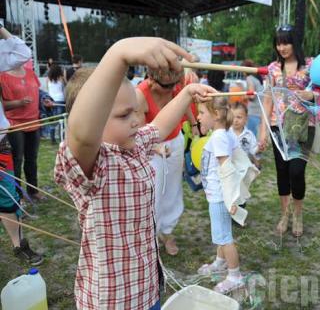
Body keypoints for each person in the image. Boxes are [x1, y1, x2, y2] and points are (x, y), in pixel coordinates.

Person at [54, 37, 214, 309]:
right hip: (114, 301)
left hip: (146, 287)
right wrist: (118, 54)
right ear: (94, 119)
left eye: (137, 112)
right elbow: (81, 135)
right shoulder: (94, 167)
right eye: (124, 115)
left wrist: (187, 94)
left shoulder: (135, 144)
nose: (138, 120)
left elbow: (160, 126)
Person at [258, 24, 317, 237]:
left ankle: (298, 213)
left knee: (296, 171)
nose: (282, 47)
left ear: (295, 42)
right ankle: (285, 214)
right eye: (278, 43)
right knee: (282, 171)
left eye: (286, 42)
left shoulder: (310, 66)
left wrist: (311, 95)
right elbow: (267, 99)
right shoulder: (273, 68)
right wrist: (263, 130)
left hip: (303, 125)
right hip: (277, 125)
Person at [136, 67, 199, 256]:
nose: (171, 89)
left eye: (174, 85)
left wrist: (194, 124)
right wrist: (155, 148)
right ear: (152, 80)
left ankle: (167, 232)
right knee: (154, 193)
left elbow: (183, 103)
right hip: (152, 147)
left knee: (173, 189)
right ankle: (150, 236)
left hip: (175, 142)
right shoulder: (140, 95)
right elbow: (138, 135)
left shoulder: (174, 87)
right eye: (167, 86)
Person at [196, 97, 246, 294]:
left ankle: (235, 276)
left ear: (216, 115)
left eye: (201, 113)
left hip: (220, 197)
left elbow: (227, 169)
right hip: (218, 195)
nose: (198, 117)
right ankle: (220, 262)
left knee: (224, 237)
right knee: (221, 232)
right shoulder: (224, 133)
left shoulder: (218, 137)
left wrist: (231, 198)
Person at [0, 61, 44, 201]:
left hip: (33, 122)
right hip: (15, 124)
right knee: (16, 161)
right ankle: (17, 195)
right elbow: (1, 105)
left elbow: (39, 92)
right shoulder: (2, 76)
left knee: (32, 159)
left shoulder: (31, 73)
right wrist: (18, 103)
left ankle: (33, 191)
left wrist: (46, 99)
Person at [230, 102, 260, 170]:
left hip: (244, 168)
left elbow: (253, 151)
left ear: (246, 119)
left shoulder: (249, 135)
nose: (235, 120)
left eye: (239, 117)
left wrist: (259, 149)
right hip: (230, 168)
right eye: (232, 117)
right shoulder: (226, 133)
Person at [241, 59, 264, 136]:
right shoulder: (257, 77)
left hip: (253, 111)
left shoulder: (249, 78)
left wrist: (244, 96)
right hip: (260, 109)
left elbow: (252, 95)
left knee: (250, 134)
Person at [46, 64, 66, 143]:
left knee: (52, 121)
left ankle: (52, 139)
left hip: (51, 101)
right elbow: (65, 86)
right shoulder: (61, 79)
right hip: (60, 100)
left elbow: (48, 90)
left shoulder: (47, 79)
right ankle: (62, 138)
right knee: (62, 121)